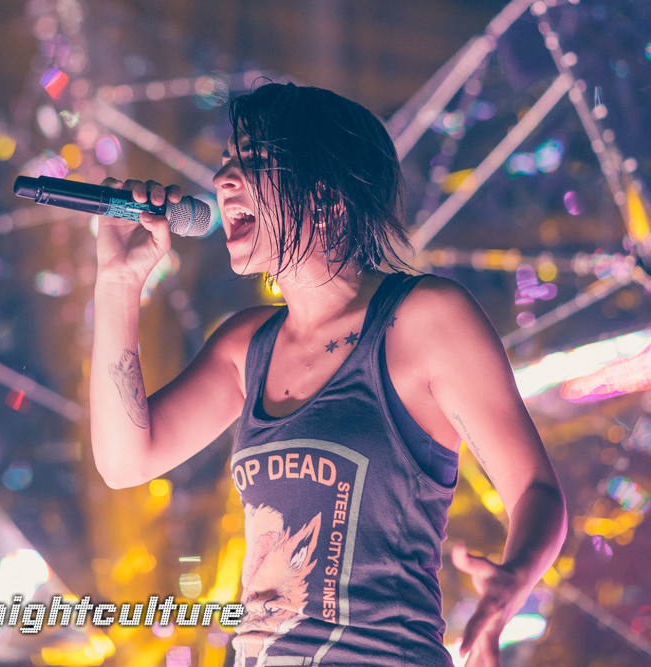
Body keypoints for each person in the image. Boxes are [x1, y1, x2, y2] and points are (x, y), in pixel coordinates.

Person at [89, 82, 566, 666]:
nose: (223, 179)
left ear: (328, 196)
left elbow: (536, 489)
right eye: (226, 162)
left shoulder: (422, 320)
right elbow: (124, 462)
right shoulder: (246, 347)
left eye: (253, 161)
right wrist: (118, 281)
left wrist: (511, 584)